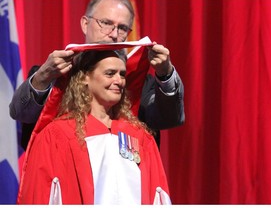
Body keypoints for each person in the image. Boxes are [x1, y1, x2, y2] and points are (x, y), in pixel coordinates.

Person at [9, 0, 185, 149]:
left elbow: (170, 118)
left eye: (123, 28)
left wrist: (166, 74)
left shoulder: (139, 83)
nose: (114, 34)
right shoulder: (53, 75)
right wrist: (42, 77)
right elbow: (19, 113)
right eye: (106, 23)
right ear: (85, 24)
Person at [17, 49, 170, 204]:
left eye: (122, 74)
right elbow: (39, 195)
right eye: (110, 73)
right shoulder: (57, 135)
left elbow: (157, 195)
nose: (119, 81)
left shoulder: (140, 137)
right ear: (85, 78)